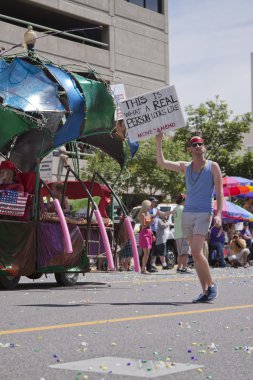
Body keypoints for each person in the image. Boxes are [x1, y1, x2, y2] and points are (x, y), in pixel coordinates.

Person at [156, 133, 223, 303]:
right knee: (196, 254)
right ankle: (205, 291)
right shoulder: (185, 166)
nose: (198, 146)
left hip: (203, 213)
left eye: (201, 143)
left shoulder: (213, 166)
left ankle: (212, 285)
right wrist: (159, 141)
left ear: (204, 147)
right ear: (189, 149)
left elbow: (220, 192)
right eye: (194, 144)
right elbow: (162, 163)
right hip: (187, 214)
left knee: (195, 251)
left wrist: (219, 214)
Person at [173, 193, 191, 273]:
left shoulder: (175, 208)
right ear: (183, 200)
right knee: (185, 252)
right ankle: (184, 268)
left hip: (177, 233)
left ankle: (179, 267)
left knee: (180, 253)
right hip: (183, 233)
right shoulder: (183, 209)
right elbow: (186, 221)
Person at [138, 199, 154, 274]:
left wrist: (153, 235)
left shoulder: (148, 214)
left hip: (149, 232)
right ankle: (143, 268)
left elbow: (149, 226)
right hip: (144, 232)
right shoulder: (142, 214)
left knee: (148, 252)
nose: (150, 206)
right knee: (146, 251)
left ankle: (144, 268)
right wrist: (151, 221)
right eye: (149, 205)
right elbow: (143, 226)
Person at [147, 196, 160, 272]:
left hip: (154, 231)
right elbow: (149, 221)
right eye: (154, 201)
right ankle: (148, 266)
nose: (156, 203)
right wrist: (155, 215)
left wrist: (171, 212)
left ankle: (150, 265)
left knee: (152, 250)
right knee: (148, 249)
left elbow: (162, 214)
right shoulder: (148, 210)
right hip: (150, 230)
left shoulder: (155, 210)